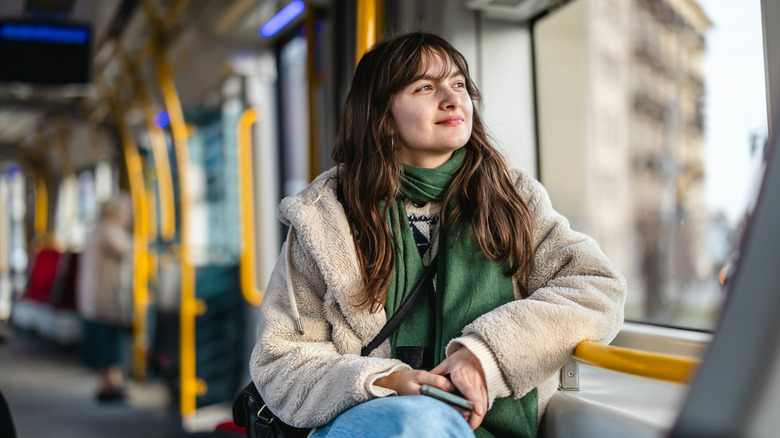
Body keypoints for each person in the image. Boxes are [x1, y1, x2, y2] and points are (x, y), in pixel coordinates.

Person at [250, 32, 626, 438]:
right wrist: (385, 382)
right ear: (382, 116)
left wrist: (485, 356)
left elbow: (597, 286)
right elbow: (281, 359)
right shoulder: (326, 218)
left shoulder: (512, 199)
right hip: (369, 423)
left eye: (459, 84)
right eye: (425, 87)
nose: (452, 99)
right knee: (420, 424)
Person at [76, 195, 133, 402]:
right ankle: (112, 385)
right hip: (107, 298)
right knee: (111, 343)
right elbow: (132, 250)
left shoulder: (98, 229)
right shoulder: (110, 231)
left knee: (106, 343)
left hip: (97, 298)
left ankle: (109, 384)